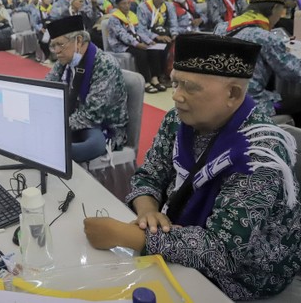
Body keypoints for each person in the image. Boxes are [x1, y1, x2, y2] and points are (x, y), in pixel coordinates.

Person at [83, 33, 301, 301]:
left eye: (190, 87)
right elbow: (148, 175)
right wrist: (148, 209)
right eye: (175, 82)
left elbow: (225, 252)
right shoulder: (178, 121)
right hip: (178, 236)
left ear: (233, 94)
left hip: (247, 274)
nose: (176, 96)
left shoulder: (259, 153)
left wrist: (128, 236)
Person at [45, 16, 128, 162]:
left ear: (79, 40)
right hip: (73, 118)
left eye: (60, 44)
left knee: (93, 145)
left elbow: (92, 115)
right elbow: (47, 88)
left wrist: (56, 125)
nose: (56, 51)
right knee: (45, 133)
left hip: (101, 126)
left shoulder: (104, 65)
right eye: (53, 45)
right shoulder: (64, 61)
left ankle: (53, 151)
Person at [214, 0, 301, 122]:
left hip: (219, 98)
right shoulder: (265, 37)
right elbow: (293, 72)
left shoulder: (221, 28)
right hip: (251, 103)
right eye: (281, 11)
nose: (280, 16)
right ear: (274, 9)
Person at [107, 0, 166, 93]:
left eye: (128, 3)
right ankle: (146, 81)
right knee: (141, 53)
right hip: (120, 45)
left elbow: (139, 31)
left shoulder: (132, 15)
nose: (126, 6)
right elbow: (122, 35)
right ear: (117, 5)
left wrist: (149, 41)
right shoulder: (114, 18)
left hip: (135, 41)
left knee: (153, 50)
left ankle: (154, 78)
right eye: (123, 4)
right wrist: (137, 44)